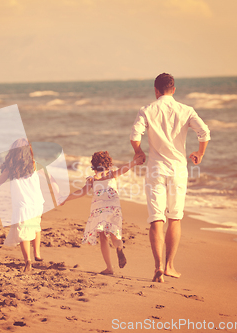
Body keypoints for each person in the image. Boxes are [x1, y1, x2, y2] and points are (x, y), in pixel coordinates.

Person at [130, 73, 210, 283]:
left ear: (156, 90)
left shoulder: (147, 110)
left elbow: (134, 136)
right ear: (174, 90)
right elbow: (204, 132)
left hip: (156, 168)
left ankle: (157, 267)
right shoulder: (186, 110)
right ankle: (169, 266)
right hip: (177, 170)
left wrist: (139, 153)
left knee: (156, 217)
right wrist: (200, 154)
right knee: (175, 217)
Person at [62, 151, 142, 275]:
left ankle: (109, 268)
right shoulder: (112, 174)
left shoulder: (92, 179)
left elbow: (82, 192)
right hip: (114, 208)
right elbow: (125, 168)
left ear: (93, 165)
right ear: (108, 164)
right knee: (115, 235)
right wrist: (135, 162)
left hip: (99, 209)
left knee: (104, 238)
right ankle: (119, 248)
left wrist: (65, 198)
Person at [0, 139, 45, 273]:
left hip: (23, 205)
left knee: (24, 233)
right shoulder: (34, 165)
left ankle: (28, 261)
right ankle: (37, 253)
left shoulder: (10, 168)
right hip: (37, 203)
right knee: (36, 227)